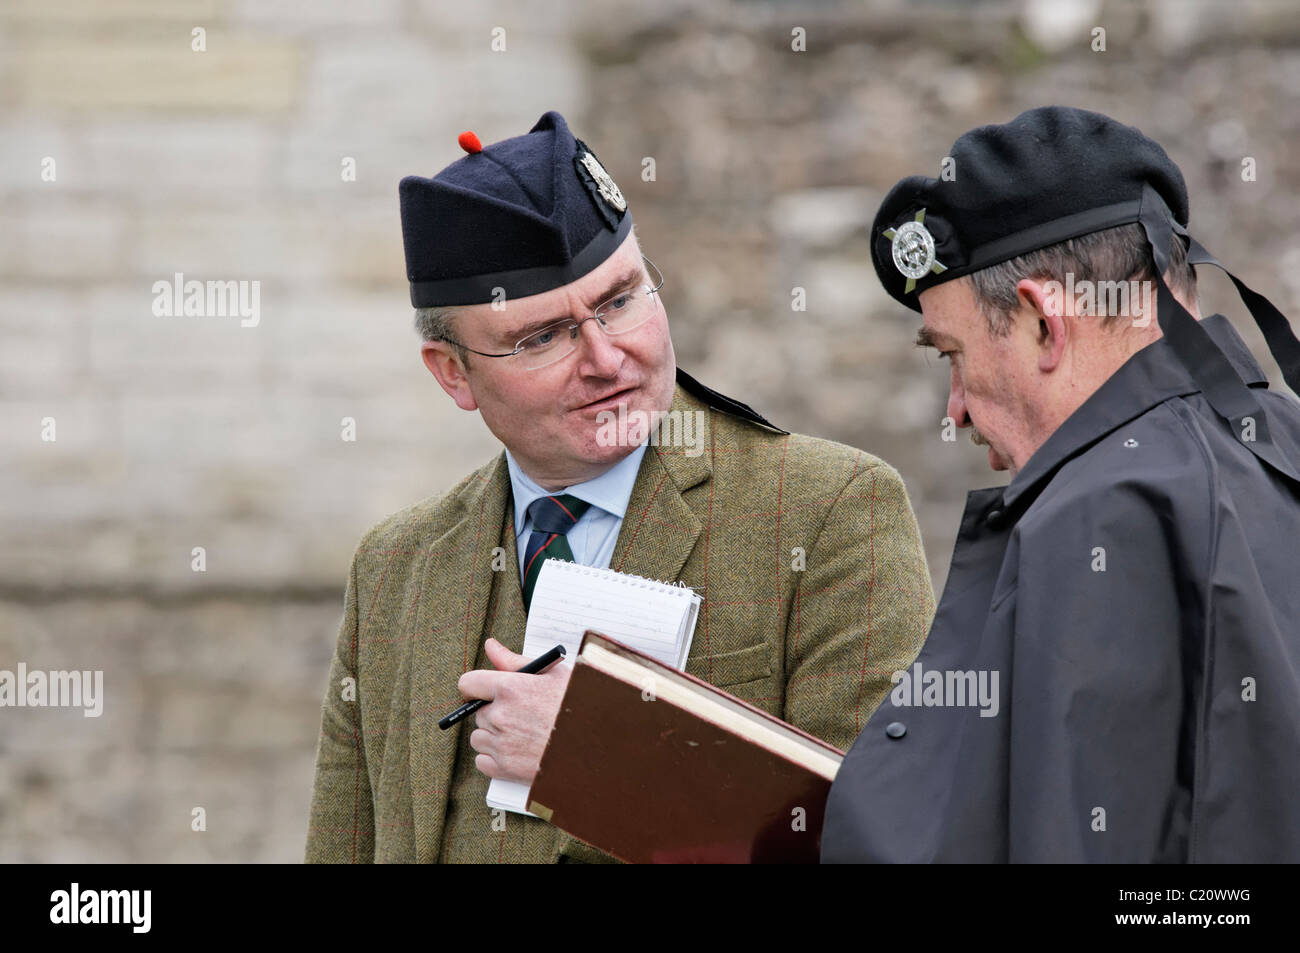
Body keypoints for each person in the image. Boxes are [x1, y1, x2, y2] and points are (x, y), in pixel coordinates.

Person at [305, 111, 935, 863]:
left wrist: (595, 760)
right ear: (452, 373)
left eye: (619, 300)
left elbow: (886, 842)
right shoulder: (393, 567)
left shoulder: (833, 509)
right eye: (542, 337)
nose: (607, 358)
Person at [822, 106, 1300, 863]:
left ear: (1045, 322)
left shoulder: (1100, 517)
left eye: (952, 353)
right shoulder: (1283, 439)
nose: (955, 406)